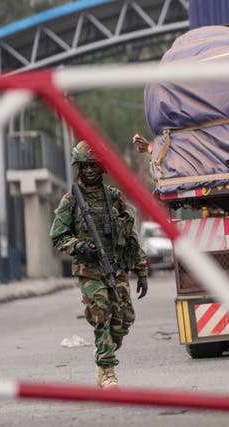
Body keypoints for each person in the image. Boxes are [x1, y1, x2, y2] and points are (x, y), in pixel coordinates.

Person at [50, 140, 149, 389]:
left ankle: (104, 357)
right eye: (85, 166)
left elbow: (131, 236)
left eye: (94, 166)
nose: (90, 171)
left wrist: (141, 268)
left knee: (124, 320)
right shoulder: (71, 200)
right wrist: (79, 246)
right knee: (102, 314)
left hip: (115, 267)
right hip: (90, 270)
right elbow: (58, 235)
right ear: (78, 168)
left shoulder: (114, 198)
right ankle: (107, 370)